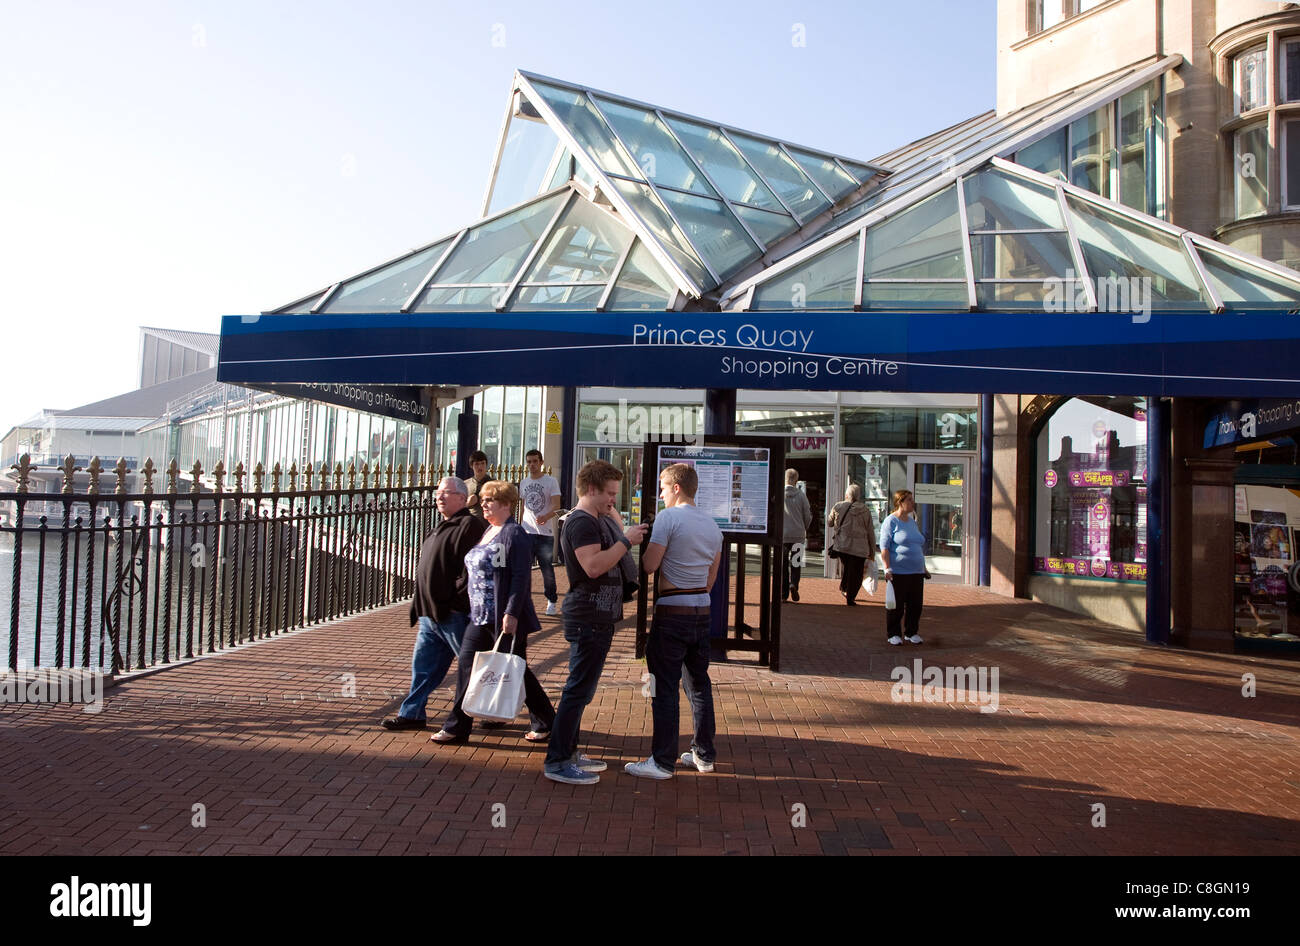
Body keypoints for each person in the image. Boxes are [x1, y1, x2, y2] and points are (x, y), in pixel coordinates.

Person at [543, 460, 648, 785]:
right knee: (577, 690)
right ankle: (558, 760)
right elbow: (592, 566)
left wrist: (619, 528)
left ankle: (569, 753)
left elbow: (609, 539)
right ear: (591, 489)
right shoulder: (581, 524)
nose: (613, 500)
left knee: (582, 690)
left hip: (596, 616)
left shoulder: (596, 519)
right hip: (588, 614)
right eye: (609, 493)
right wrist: (626, 541)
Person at [429, 481, 556, 744]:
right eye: (484, 499)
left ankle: (547, 722)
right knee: (468, 664)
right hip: (479, 615)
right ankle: (459, 726)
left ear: (507, 504)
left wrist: (511, 613)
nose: (484, 504)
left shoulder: (514, 534)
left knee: (516, 669)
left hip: (503, 617)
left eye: (490, 500)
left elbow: (521, 577)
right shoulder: (488, 530)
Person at [625, 462, 723, 780]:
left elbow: (650, 565)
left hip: (672, 612)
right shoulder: (713, 526)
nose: (661, 495)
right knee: (699, 685)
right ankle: (703, 754)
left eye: (664, 489)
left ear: (677, 488)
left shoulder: (668, 518)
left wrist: (642, 545)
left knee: (663, 687)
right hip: (700, 610)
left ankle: (662, 761)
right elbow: (711, 579)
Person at [380, 477, 487, 731]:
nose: (440, 497)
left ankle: (492, 711)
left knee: (472, 666)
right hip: (430, 614)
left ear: (462, 498)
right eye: (438, 493)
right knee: (424, 669)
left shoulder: (469, 525)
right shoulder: (442, 525)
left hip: (453, 614)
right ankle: (412, 713)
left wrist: (453, 600)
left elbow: (470, 570)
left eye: (446, 493)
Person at [879, 488, 931, 645]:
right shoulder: (891, 521)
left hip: (916, 571)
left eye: (912, 499)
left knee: (915, 604)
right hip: (898, 572)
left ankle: (911, 632)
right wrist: (887, 568)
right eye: (909, 499)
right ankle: (893, 634)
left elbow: (916, 546)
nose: (912, 502)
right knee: (897, 605)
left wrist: (924, 567)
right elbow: (885, 548)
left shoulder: (912, 522)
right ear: (900, 502)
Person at [518, 449, 561, 615]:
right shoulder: (524, 482)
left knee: (546, 569)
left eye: (535, 461)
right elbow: (523, 507)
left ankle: (551, 600)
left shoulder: (551, 481)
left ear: (541, 462)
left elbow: (557, 506)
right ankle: (523, 600)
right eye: (529, 462)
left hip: (545, 533)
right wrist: (520, 526)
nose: (532, 465)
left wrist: (546, 516)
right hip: (527, 532)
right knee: (523, 569)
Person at [827, 483, 877, 606]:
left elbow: (829, 523)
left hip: (843, 545)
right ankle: (851, 595)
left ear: (846, 495)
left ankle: (844, 587)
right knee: (857, 572)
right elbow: (870, 532)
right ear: (859, 496)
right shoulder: (865, 510)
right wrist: (872, 551)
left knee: (847, 567)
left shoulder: (838, 506)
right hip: (860, 547)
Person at [782, 468, 812, 602]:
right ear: (796, 480)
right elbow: (807, 515)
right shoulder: (801, 495)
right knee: (795, 563)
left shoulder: (779, 494)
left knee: (782, 565)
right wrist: (804, 527)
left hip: (782, 536)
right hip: (798, 535)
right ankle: (793, 584)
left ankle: (783, 594)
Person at [464, 450, 492, 519]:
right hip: (470, 523)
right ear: (471, 466)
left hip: (488, 522)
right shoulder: (465, 484)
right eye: (476, 464)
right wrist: (467, 504)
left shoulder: (493, 484)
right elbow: (457, 507)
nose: (480, 467)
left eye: (482, 463)